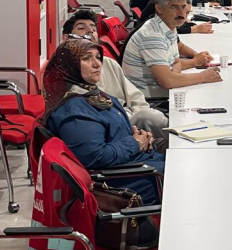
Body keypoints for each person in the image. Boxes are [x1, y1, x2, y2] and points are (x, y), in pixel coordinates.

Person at [44, 40, 165, 204]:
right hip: (125, 181)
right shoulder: (74, 111)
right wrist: (135, 143)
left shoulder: (94, 94)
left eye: (98, 57)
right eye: (86, 58)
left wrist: (140, 137)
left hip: (138, 164)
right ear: (69, 66)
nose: (97, 64)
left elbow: (113, 135)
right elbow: (95, 156)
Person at [62, 10, 169, 149]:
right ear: (66, 38)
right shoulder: (66, 74)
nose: (90, 31)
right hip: (113, 129)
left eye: (93, 28)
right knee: (150, 118)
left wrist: (143, 131)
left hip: (134, 123)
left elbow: (135, 97)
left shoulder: (108, 63)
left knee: (171, 144)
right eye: (81, 28)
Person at [122, 0, 221, 101]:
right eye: (174, 7)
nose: (182, 14)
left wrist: (177, 71)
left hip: (161, 92)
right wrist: (203, 76)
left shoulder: (168, 26)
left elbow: (176, 62)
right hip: (148, 100)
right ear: (159, 9)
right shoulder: (152, 36)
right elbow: (168, 81)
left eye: (183, 7)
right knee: (209, 98)